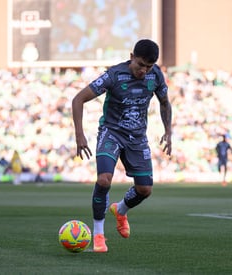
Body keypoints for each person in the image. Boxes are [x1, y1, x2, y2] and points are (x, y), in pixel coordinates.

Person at [72, 39, 172, 253]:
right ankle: (98, 234)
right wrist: (79, 135)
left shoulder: (156, 76)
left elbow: (165, 102)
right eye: (140, 65)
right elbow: (78, 99)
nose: (144, 71)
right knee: (104, 179)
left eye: (149, 66)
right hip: (112, 132)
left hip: (137, 137)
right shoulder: (114, 75)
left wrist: (168, 131)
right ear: (131, 57)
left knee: (145, 190)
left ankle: (121, 210)